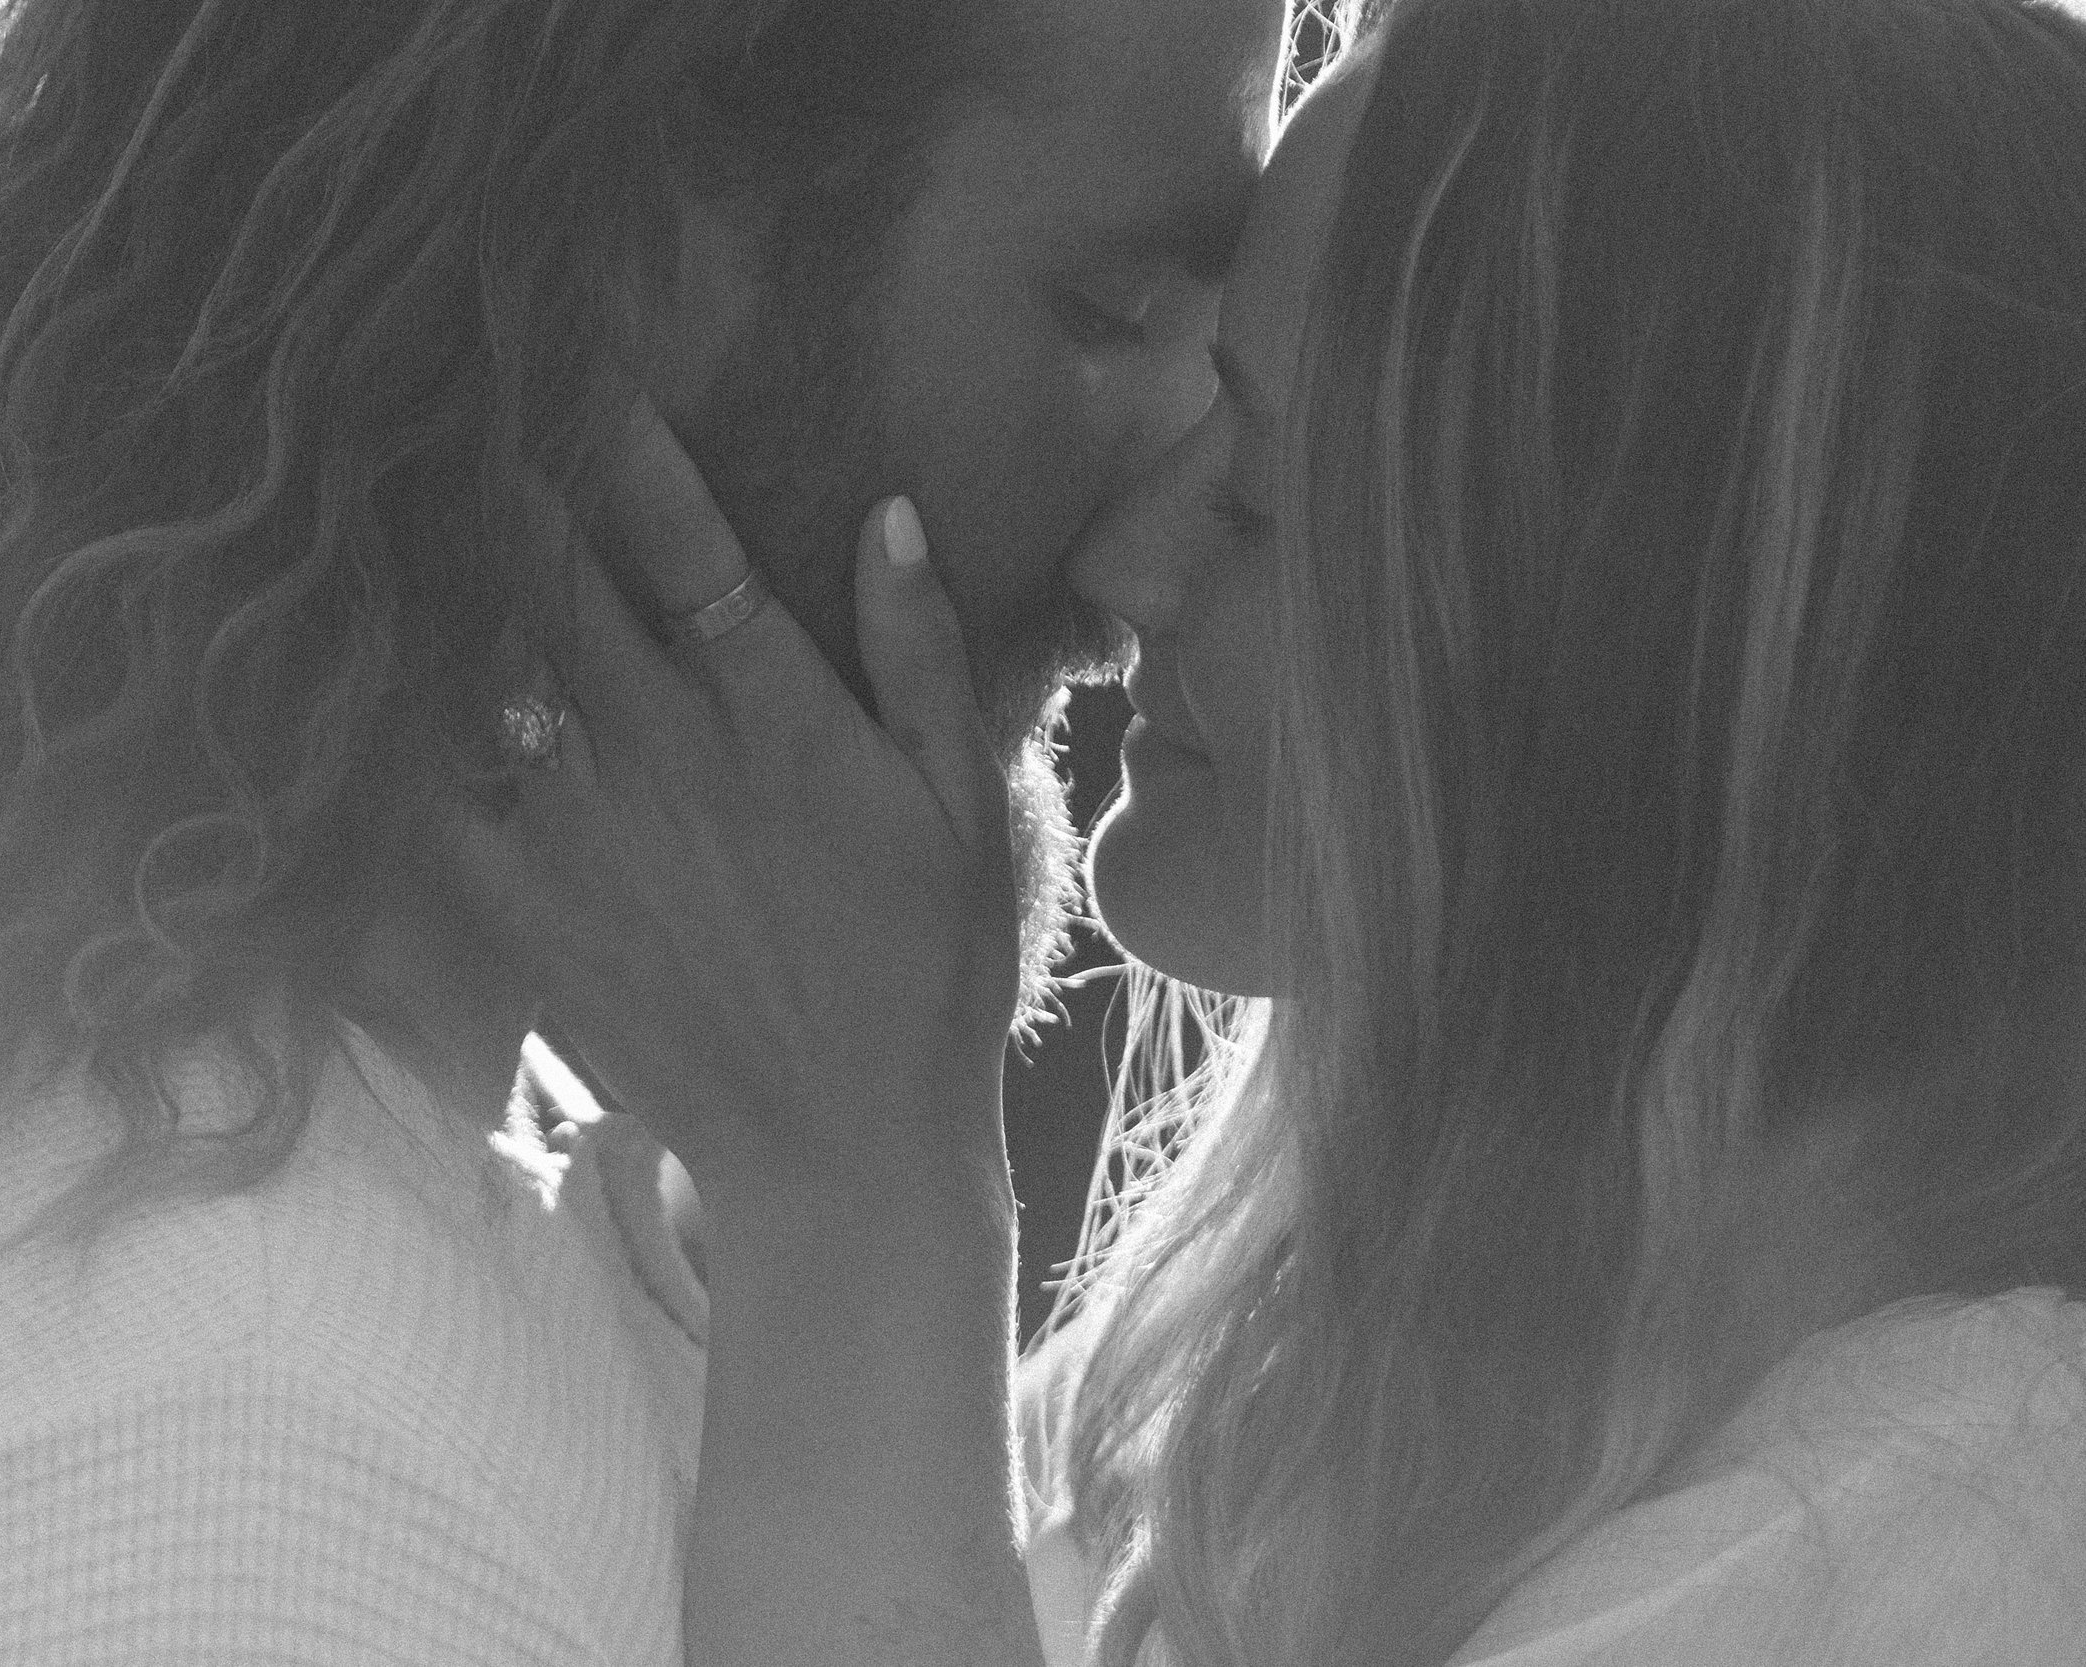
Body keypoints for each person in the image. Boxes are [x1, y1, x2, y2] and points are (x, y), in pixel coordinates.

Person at [0, 0, 1285, 1659]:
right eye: (1112, 312)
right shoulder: (242, 1461)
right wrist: (882, 1223)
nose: (1172, 515)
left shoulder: (203, 1182)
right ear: (624, 236)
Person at [482, 0, 2086, 1662]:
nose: (1125, 564)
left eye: (1256, 492)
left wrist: (864, 1203)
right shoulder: (1335, 1432)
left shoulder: (1950, 1561)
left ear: (1628, 653)